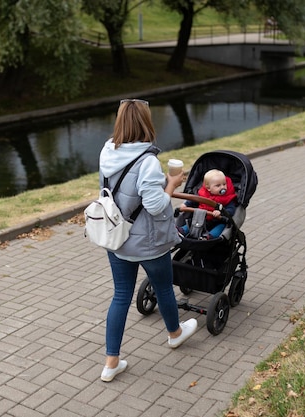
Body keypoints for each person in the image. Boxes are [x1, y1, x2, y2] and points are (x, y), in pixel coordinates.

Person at [97, 98, 198, 382]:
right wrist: (172, 184)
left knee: (120, 296)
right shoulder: (148, 161)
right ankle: (175, 334)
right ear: (146, 122)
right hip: (148, 243)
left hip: (117, 239)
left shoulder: (107, 152)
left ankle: (111, 363)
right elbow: (156, 206)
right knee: (164, 289)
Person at [178, 169, 237, 239]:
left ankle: (209, 236)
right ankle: (183, 230)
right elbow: (194, 200)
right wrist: (186, 204)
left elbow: (231, 209)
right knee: (192, 221)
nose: (222, 187)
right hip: (202, 218)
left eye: (224, 184)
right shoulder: (203, 194)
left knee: (221, 226)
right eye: (218, 185)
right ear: (208, 188)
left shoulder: (227, 197)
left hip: (217, 220)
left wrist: (221, 212)